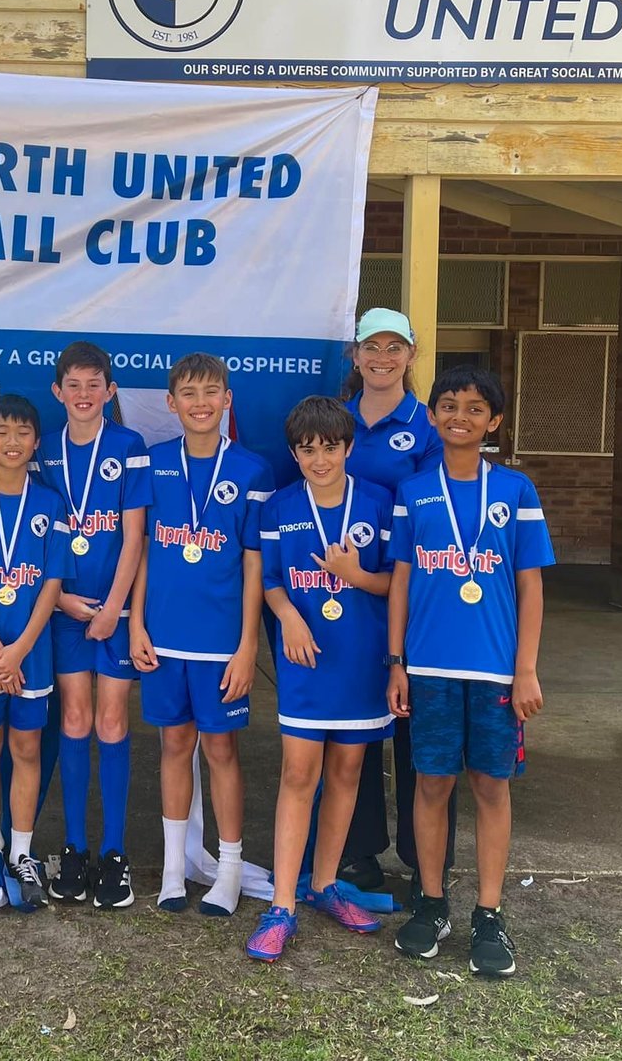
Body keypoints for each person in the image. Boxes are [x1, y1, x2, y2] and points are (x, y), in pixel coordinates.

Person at [387, 366, 554, 977]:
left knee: (490, 785)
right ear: (432, 415)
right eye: (450, 405)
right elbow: (400, 582)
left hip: (494, 673)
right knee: (431, 784)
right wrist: (397, 662)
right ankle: (432, 903)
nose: (461, 416)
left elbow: (531, 587)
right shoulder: (413, 491)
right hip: (428, 667)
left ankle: (489, 912)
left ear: (494, 421)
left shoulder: (516, 490)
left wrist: (526, 669)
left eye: (475, 408)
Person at [247, 396, 395, 962]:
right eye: (307, 450)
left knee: (347, 772)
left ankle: (326, 883)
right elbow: (270, 580)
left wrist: (354, 575)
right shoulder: (280, 507)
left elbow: (397, 583)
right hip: (306, 662)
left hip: (361, 659)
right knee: (298, 774)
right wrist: (287, 616)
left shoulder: (378, 503)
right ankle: (282, 904)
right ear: (294, 453)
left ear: (348, 447)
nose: (320, 459)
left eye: (330, 447)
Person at [130, 353, 274, 917]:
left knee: (220, 749)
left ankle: (229, 869)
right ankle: (173, 868)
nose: (200, 403)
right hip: (164, 638)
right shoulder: (154, 462)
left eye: (211, 392)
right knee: (172, 745)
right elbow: (143, 549)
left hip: (220, 644)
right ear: (171, 403)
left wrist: (248, 646)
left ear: (227, 400)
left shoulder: (251, 470)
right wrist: (136, 623)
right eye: (188, 393)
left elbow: (255, 564)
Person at [337, 307, 449, 899]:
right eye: (371, 347)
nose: (382, 358)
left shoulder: (428, 426)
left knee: (416, 735)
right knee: (355, 732)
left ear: (411, 354)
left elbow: (435, 512)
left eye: (394, 347)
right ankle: (357, 854)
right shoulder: (337, 421)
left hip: (413, 601)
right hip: (346, 605)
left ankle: (424, 859)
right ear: (355, 355)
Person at [36, 341, 151, 909]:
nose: (84, 395)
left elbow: (135, 537)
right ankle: (76, 848)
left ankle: (114, 853)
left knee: (110, 721)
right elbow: (33, 531)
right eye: (73, 385)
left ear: (111, 390)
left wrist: (113, 609)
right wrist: (59, 600)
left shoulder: (128, 447)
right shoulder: (43, 450)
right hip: (63, 609)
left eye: (94, 385)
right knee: (75, 718)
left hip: (115, 612)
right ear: (58, 391)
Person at [0, 395, 74, 909]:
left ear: (36, 442)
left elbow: (52, 584)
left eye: (22, 432)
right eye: (1, 432)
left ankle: (22, 852)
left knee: (26, 748)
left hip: (30, 653)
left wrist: (19, 649)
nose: (12, 441)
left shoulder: (50, 503)